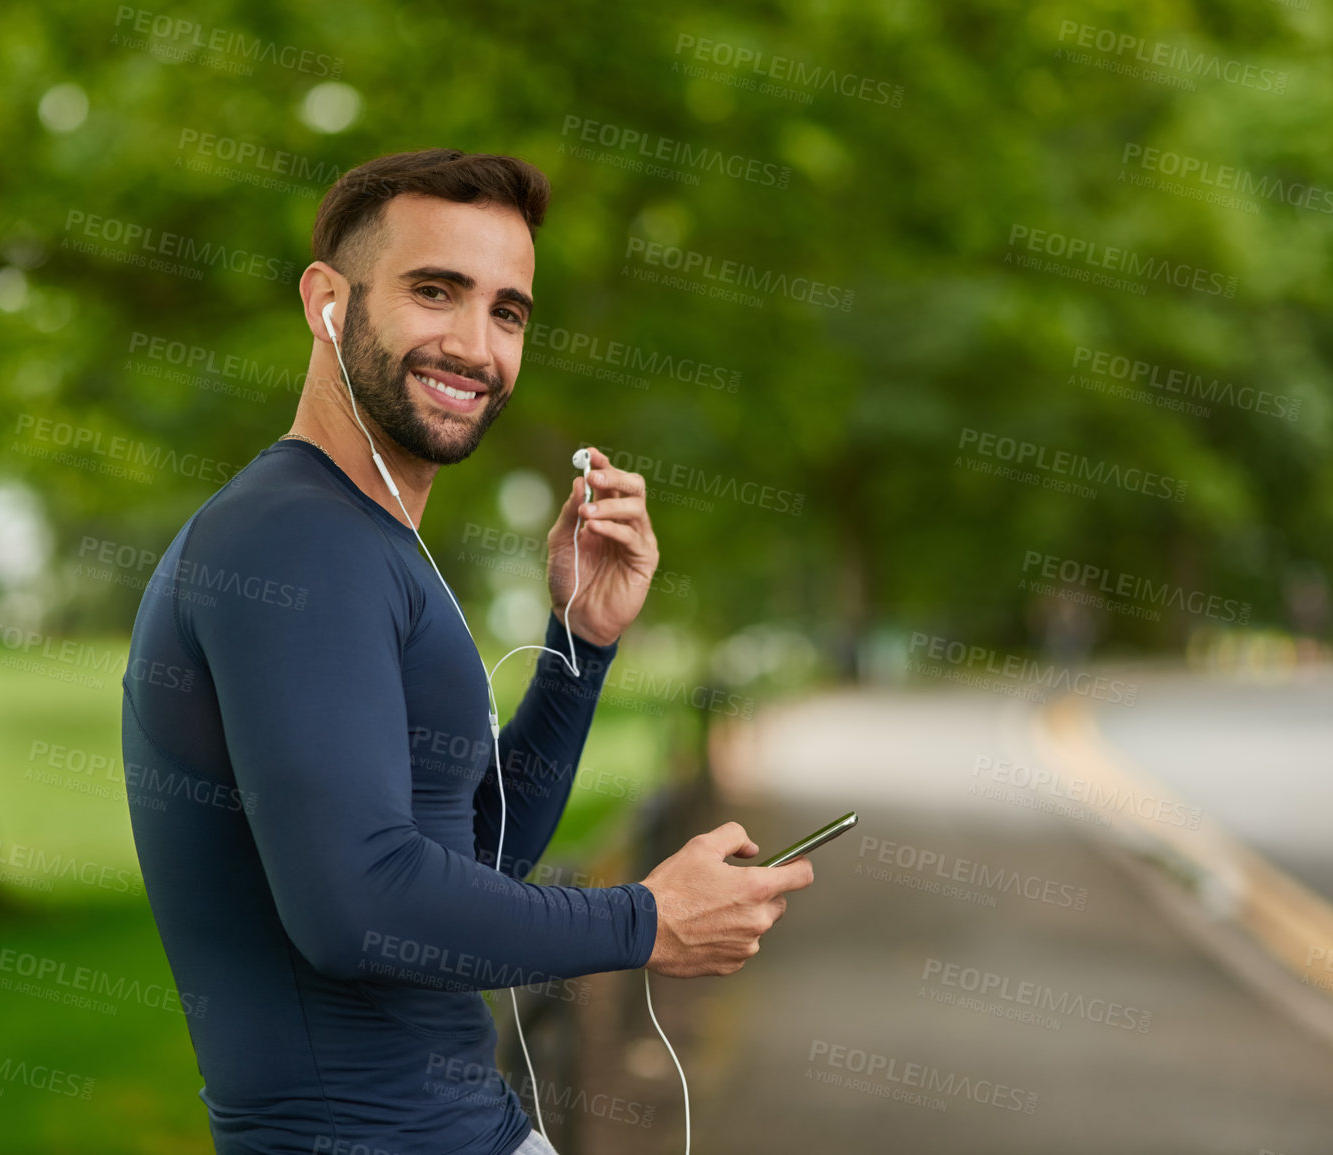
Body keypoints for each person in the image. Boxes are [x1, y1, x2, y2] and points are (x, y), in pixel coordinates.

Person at [120, 148, 815, 1155]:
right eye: (435, 291)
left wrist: (580, 643)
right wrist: (646, 920)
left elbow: (475, 855)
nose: (475, 345)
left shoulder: (364, 540)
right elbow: (355, 907)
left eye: (507, 311)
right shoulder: (291, 539)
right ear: (327, 301)